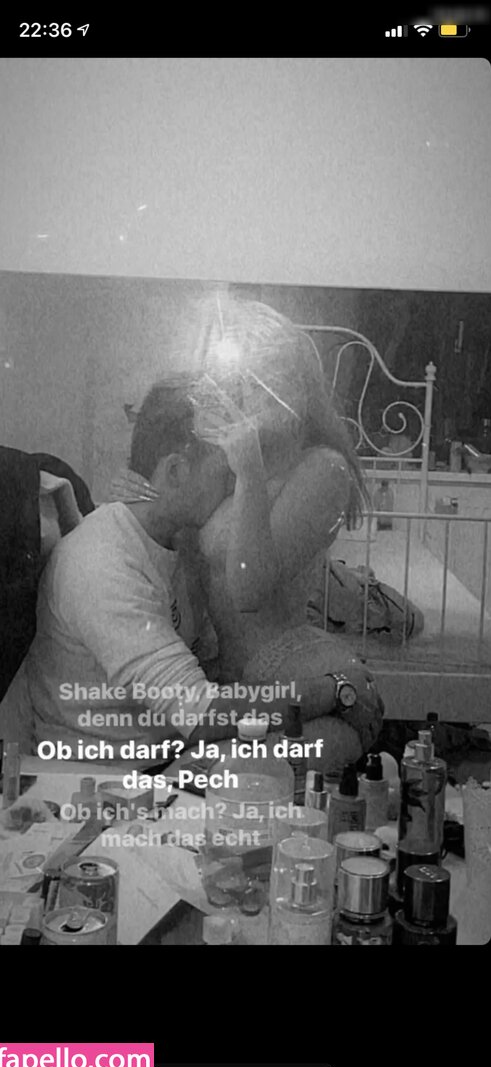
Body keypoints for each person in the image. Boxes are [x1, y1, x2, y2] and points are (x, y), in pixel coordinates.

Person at [0, 372, 376, 766]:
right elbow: (203, 715)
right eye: (226, 473)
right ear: (176, 472)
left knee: (332, 733)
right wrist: (334, 689)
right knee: (328, 732)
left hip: (176, 750)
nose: (233, 488)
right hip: (114, 775)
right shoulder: (101, 561)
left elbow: (207, 682)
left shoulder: (178, 544)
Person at [111, 297, 384, 772]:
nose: (255, 391)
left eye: (272, 375)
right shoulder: (228, 462)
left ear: (302, 386)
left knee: (211, 775)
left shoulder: (322, 469)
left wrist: (250, 471)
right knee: (201, 778)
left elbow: (248, 588)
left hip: (299, 676)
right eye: (245, 377)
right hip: (235, 684)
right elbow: (168, 516)